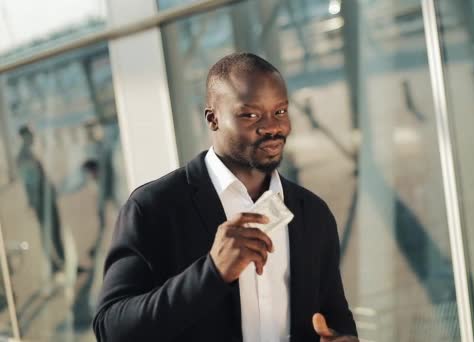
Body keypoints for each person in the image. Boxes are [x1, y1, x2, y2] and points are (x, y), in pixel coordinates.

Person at [93, 53, 358, 341]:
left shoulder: (313, 213)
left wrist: (343, 337)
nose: (272, 126)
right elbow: (111, 329)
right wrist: (212, 272)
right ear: (213, 118)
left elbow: (335, 316)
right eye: (250, 114)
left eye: (280, 111)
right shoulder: (153, 208)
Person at [16, 125, 65, 275]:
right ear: (24, 136)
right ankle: (58, 263)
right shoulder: (23, 156)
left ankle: (60, 262)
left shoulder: (30, 152)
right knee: (50, 232)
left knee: (53, 231)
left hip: (45, 198)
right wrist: (34, 202)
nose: (33, 137)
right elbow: (29, 183)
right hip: (42, 201)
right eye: (30, 134)